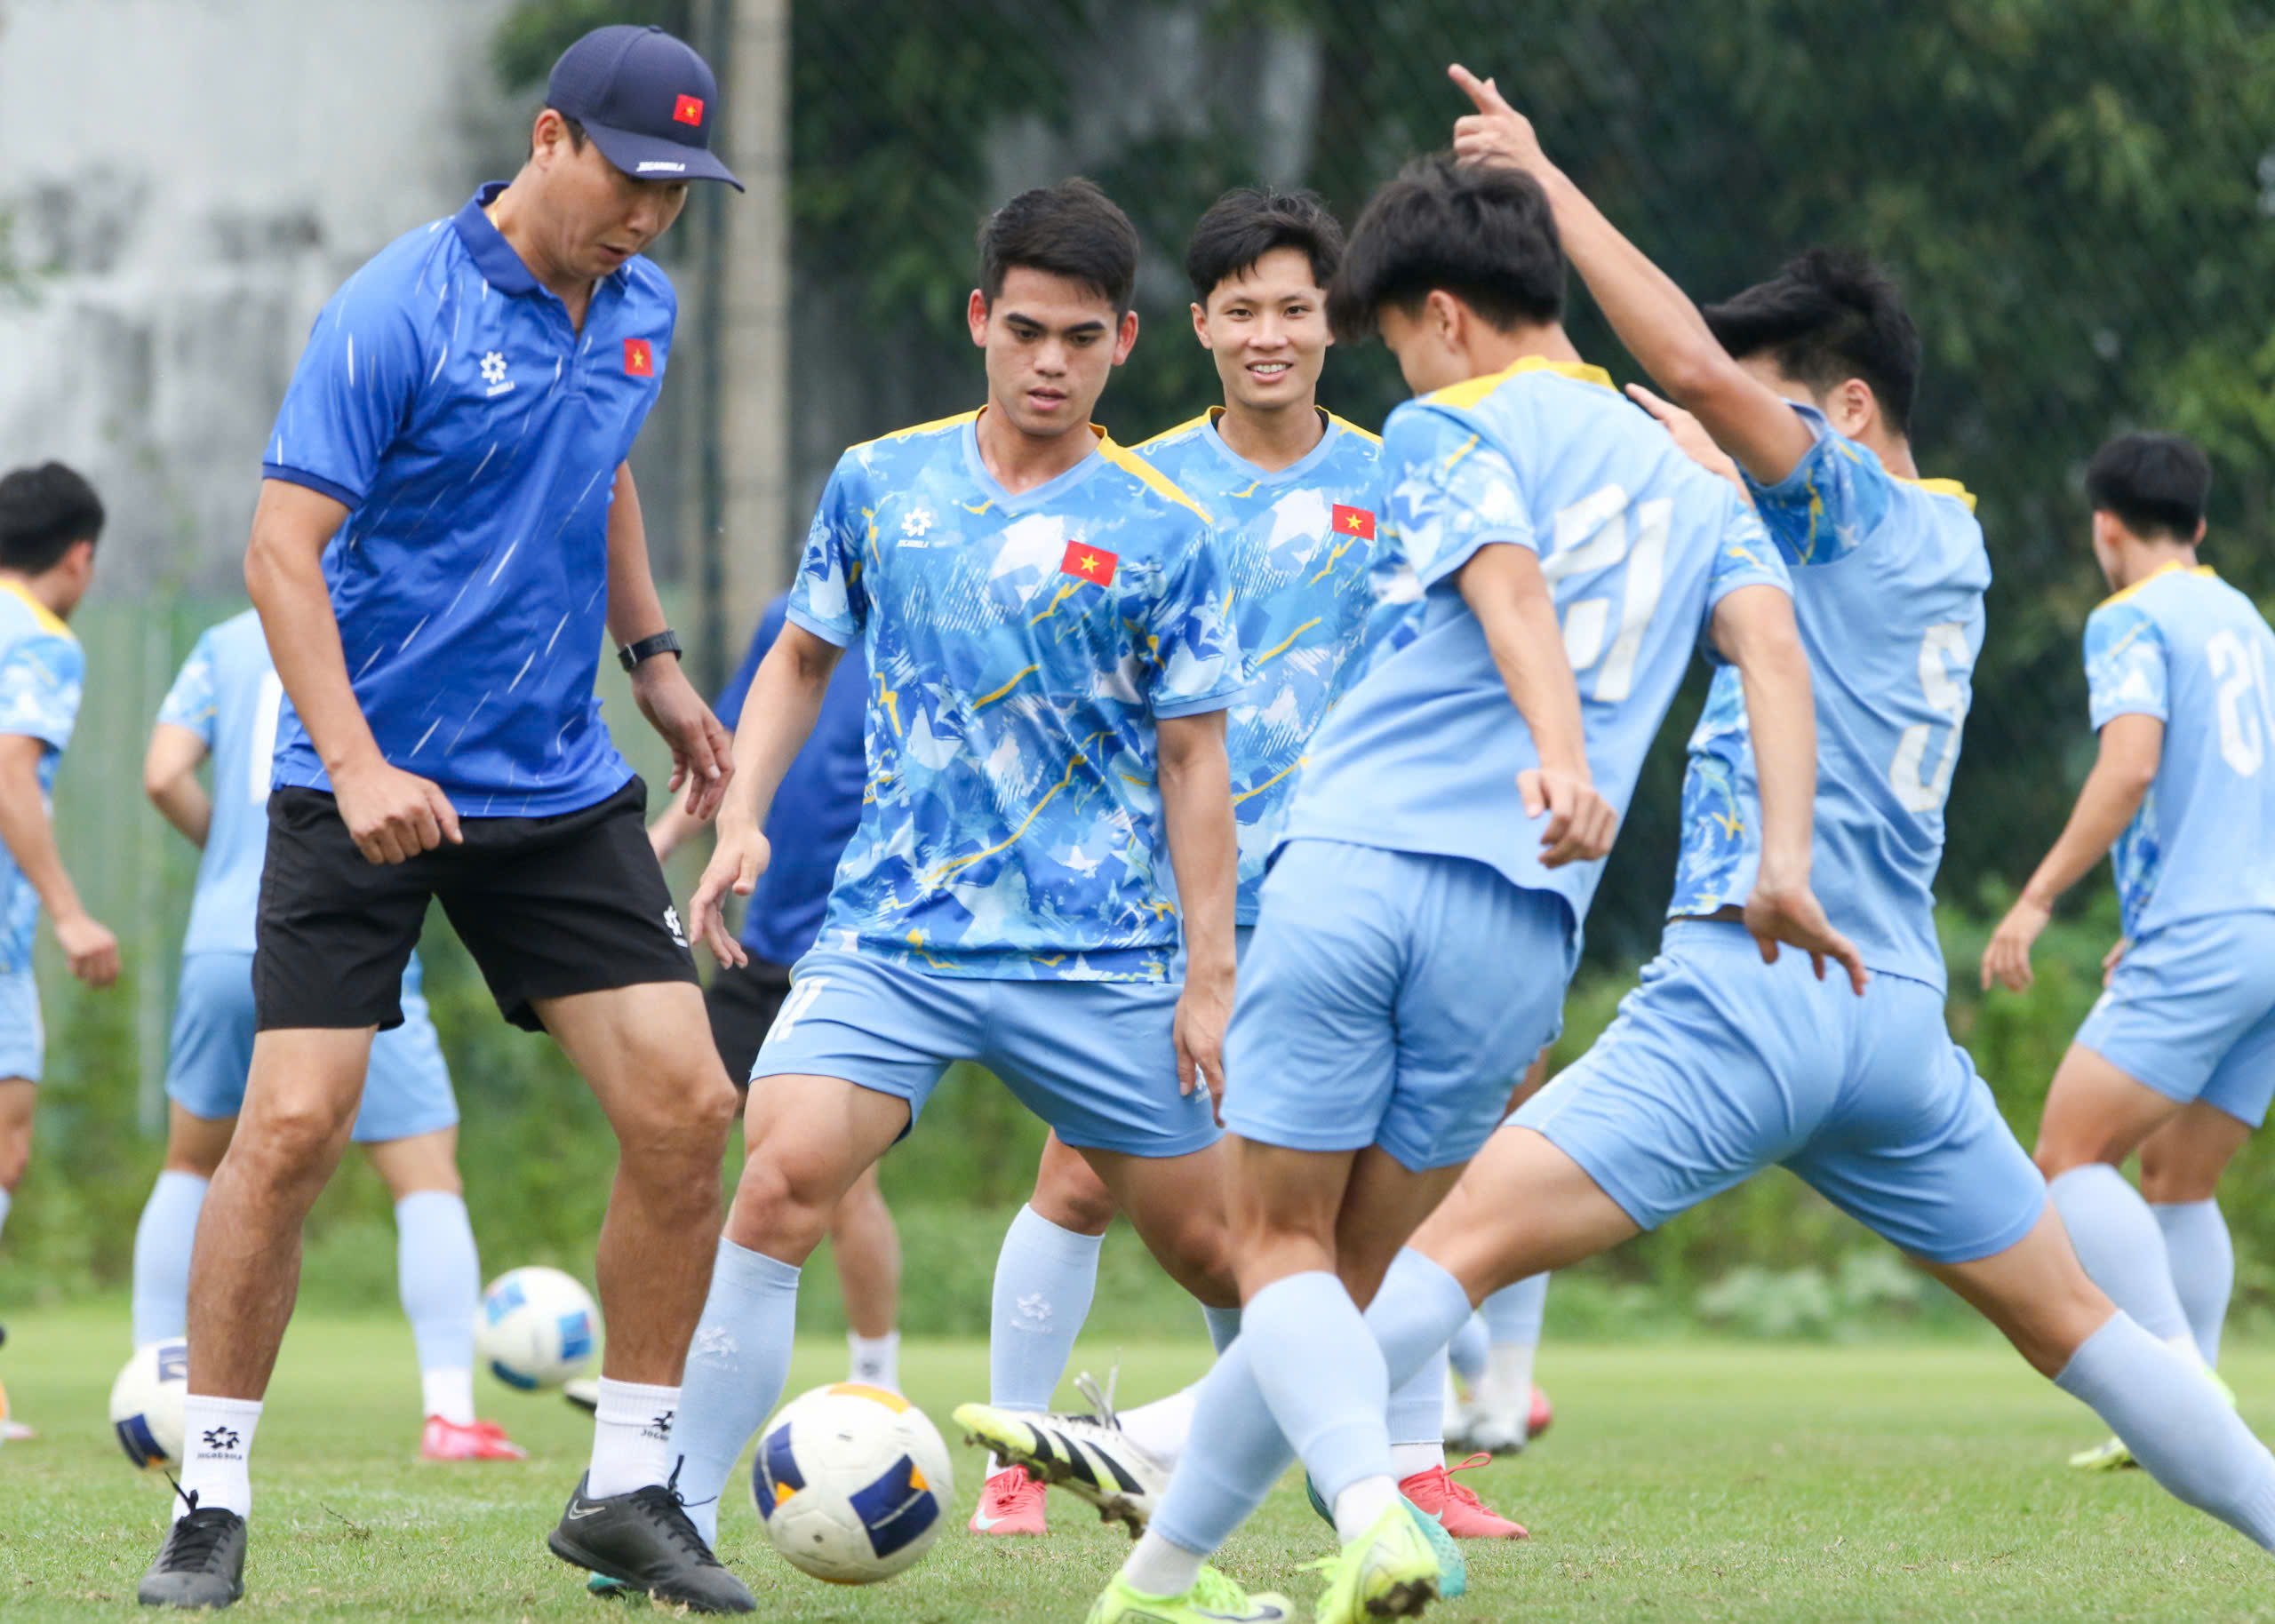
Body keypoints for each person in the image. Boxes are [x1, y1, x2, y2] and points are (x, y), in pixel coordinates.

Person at [1170, 71, 2275, 1620]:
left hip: (1751, 980)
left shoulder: (1842, 510)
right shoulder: (1950, 541)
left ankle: (1169, 1464)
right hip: (1892, 1011)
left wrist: (1543, 182)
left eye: (1747, 424)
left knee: (1438, 1241)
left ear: (1845, 414)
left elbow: (1682, 352)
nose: (1714, 433)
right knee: (2083, 1328)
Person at [1083, 147, 1848, 1624]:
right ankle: (1157, 1581)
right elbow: (1776, 657)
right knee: (1348, 1282)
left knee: (1276, 1247)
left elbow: (1502, 581)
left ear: (1440, 313)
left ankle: (1370, 1515)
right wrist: (1786, 859)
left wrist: (1559, 753)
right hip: (1523, 928)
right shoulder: (1692, 473)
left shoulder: (1453, 425)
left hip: (1365, 860)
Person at [136, 26, 753, 1614]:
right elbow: (283, 549)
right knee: (288, 1130)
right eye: (631, 178)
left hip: (552, 780)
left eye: (679, 193)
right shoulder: (394, 307)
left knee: (689, 1105)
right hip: (364, 776)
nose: (650, 216)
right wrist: (351, 765)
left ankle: (628, 1480)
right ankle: (209, 1498)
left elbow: (601, 470)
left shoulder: (644, 306)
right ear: (552, 139)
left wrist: (661, 667)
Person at [665, 177, 1250, 1556]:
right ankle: (670, 1515)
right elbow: (802, 656)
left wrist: (1209, 974)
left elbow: (1194, 763)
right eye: (1029, 330)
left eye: (1084, 338)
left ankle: (1256, 1506)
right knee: (778, 1179)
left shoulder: (1169, 527)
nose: (1052, 363)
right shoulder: (882, 480)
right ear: (982, 319)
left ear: (1125, 345)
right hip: (894, 939)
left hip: (1097, 954)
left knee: (1229, 1256)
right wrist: (744, 812)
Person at [963, 184, 1496, 1538]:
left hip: (1354, 887)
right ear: (1195, 327)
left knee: (1377, 1180)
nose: (1271, 334)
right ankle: (1017, 1463)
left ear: (1338, 326)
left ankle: (1403, 1465)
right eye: (1243, 309)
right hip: (1170, 899)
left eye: (1297, 310)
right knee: (1083, 1172)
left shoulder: (1401, 481)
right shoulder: (1134, 489)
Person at [132, 609, 523, 1462]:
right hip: (346, 938)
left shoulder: (230, 636)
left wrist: (233, 855)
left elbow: (163, 774)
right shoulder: (399, 622)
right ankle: (449, 1412)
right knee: (425, 1176)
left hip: (224, 936)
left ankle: (153, 1387)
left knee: (191, 1162)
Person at [1982, 432, 2275, 1471]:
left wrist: (2035, 896)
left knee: (2068, 1153)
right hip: (2262, 933)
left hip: (2204, 932)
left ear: (2105, 526)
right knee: (2177, 1176)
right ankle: (2184, 1394)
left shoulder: (2131, 616)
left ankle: (2174, 1388)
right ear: (2196, 527)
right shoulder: (2244, 619)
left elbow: (2130, 765)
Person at [648, 593, 904, 1396]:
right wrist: (653, 847)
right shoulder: (789, 621)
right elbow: (729, 769)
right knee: (680, 1133)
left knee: (842, 1181)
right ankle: (660, 1361)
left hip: (852, 952)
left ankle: (876, 1379)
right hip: (756, 950)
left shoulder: (931, 616)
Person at [0, 459, 119, 1444]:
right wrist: (70, 910)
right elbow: (10, 770)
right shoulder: (39, 639)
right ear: (78, 556)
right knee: (5, 1138)